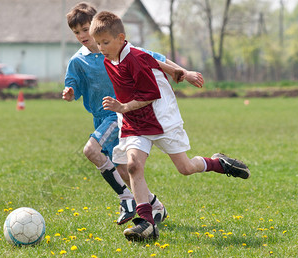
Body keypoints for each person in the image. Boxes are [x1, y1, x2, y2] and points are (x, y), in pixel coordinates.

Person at [89, 11, 250, 241]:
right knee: (133, 166)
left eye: (105, 42)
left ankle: (218, 163)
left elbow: (150, 94)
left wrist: (123, 107)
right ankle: (146, 222)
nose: (101, 47)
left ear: (120, 38)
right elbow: (153, 60)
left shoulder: (133, 57)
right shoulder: (110, 58)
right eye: (98, 43)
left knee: (185, 168)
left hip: (159, 118)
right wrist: (176, 72)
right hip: (134, 121)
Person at [62, 2, 203, 226]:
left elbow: (158, 60)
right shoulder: (78, 61)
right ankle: (155, 206)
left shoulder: (120, 49)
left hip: (120, 115)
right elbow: (73, 87)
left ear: (96, 25)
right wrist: (69, 93)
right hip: (101, 117)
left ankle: (126, 199)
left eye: (85, 29)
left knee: (91, 150)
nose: (82, 35)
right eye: (76, 32)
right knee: (124, 169)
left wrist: (185, 73)